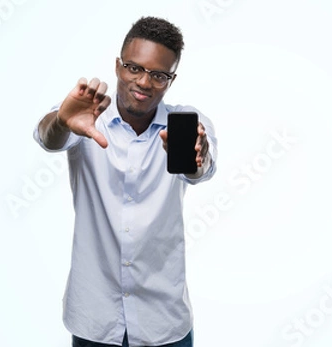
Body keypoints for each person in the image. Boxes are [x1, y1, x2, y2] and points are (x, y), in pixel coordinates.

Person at [33, 16, 217, 347]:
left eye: (159, 75)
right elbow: (49, 137)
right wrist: (62, 120)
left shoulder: (186, 124)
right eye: (135, 68)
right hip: (94, 319)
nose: (144, 82)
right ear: (118, 66)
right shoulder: (85, 117)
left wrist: (196, 158)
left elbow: (200, 169)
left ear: (170, 81)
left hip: (164, 323)